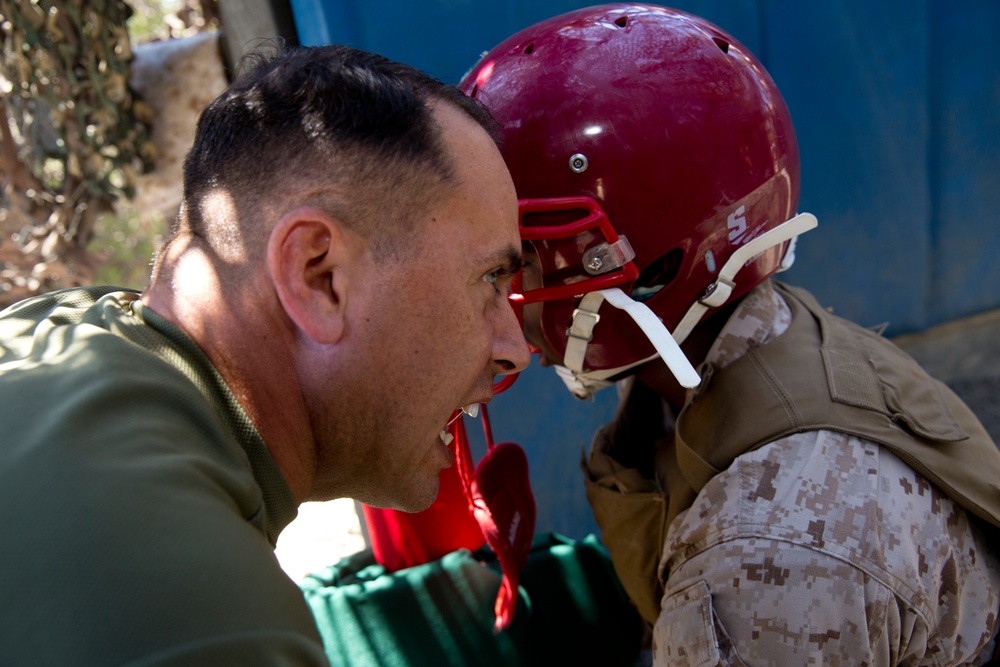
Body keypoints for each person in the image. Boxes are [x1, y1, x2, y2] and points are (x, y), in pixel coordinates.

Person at [459, 5, 1000, 665]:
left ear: (656, 264)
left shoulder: (765, 556)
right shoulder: (770, 344)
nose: (501, 298)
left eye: (518, 261)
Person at [0, 44, 529, 665]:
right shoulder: (195, 605)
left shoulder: (62, 328)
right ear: (317, 276)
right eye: (492, 278)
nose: (515, 350)